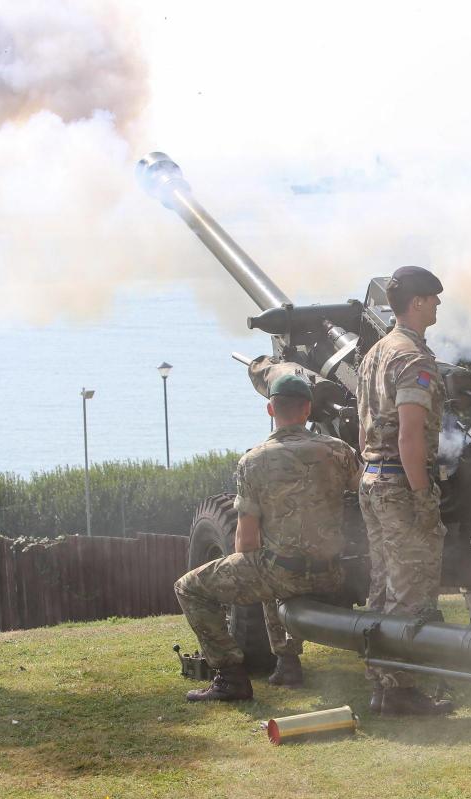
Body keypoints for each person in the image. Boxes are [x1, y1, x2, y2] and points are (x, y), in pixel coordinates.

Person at [174, 374, 359, 701]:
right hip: (332, 572)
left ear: (270, 409)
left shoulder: (253, 461)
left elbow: (247, 540)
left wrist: (244, 567)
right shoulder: (339, 451)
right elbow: (363, 495)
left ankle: (229, 678)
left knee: (191, 587)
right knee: (272, 564)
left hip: (282, 573)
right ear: (307, 410)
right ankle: (286, 664)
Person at [356, 265, 453, 716]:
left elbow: (365, 430)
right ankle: (401, 692)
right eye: (433, 298)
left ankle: (382, 683)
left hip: (372, 477)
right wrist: (421, 497)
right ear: (417, 302)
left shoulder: (374, 354)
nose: (437, 305)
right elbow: (410, 436)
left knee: (382, 586)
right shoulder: (412, 358)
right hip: (400, 480)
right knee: (410, 589)